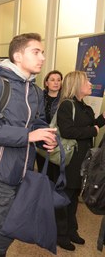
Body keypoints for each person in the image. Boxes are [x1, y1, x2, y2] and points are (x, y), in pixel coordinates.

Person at [0, 33, 57, 256]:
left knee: (4, 228)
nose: (42, 58)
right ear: (18, 56)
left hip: (24, 172)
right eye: (36, 52)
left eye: (42, 52)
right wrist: (28, 136)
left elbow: (35, 121)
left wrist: (44, 134)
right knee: (5, 230)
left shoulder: (35, 91)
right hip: (0, 170)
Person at [55, 70, 105, 251]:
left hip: (84, 160)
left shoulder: (86, 107)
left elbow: (92, 126)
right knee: (64, 197)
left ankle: (71, 230)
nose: (91, 84)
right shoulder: (67, 106)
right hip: (70, 160)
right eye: (87, 81)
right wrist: (93, 130)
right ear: (77, 85)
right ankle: (60, 234)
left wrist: (102, 120)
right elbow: (68, 131)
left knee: (74, 197)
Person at [36, 70, 63, 180]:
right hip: (40, 137)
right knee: (42, 169)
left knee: (55, 171)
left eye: (59, 80)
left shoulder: (64, 99)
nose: (56, 82)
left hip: (57, 138)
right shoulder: (38, 97)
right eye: (52, 80)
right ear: (46, 83)